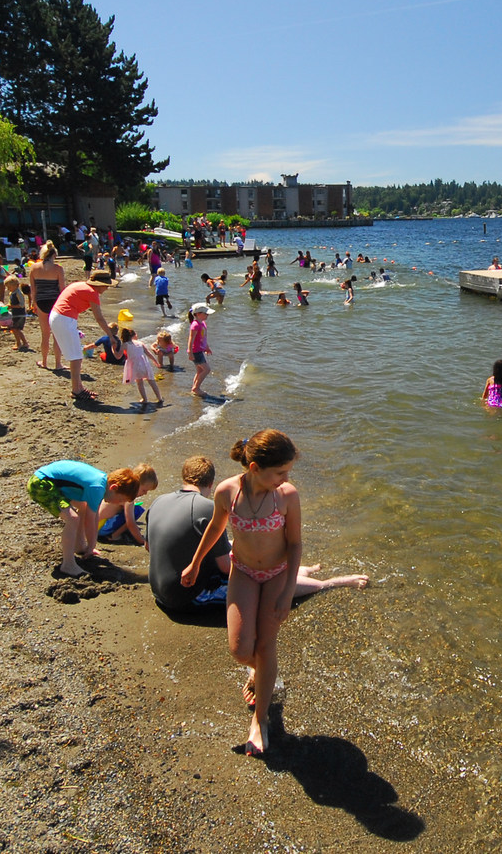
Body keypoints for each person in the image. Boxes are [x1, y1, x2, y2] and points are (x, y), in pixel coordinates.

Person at [178, 432, 307, 756]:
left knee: (265, 645)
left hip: (277, 575)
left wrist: (288, 590)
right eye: (280, 472)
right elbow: (216, 529)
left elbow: (294, 544)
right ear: (254, 467)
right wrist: (195, 563)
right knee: (239, 650)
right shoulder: (227, 492)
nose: (286, 478)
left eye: (288, 471)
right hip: (244, 572)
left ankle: (260, 720)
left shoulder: (287, 496)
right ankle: (260, 671)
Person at [27, 460, 145, 577]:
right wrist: (92, 545)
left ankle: (80, 546)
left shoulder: (102, 483)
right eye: (120, 500)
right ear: (113, 487)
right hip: (41, 484)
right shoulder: (97, 487)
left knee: (83, 507)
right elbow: (90, 522)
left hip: (53, 483)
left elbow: (95, 516)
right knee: (73, 518)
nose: (119, 503)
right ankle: (68, 564)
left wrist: (89, 547)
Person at [51, 270, 117, 401]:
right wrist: (111, 336)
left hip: (57, 316)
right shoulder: (92, 293)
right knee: (76, 357)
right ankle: (77, 390)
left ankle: (79, 387)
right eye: (106, 286)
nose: (107, 289)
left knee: (76, 356)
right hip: (64, 319)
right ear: (99, 284)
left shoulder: (79, 285)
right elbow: (99, 318)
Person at [97, 463, 159, 545]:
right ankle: (115, 536)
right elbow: (130, 522)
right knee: (136, 511)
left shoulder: (120, 490)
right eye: (144, 490)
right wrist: (142, 541)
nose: (145, 493)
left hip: (96, 523)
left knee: (134, 508)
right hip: (101, 528)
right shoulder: (128, 496)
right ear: (137, 484)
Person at [29, 242, 66, 369]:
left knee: (45, 334)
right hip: (55, 303)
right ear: (54, 254)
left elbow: (33, 290)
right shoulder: (58, 269)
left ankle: (44, 362)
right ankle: (58, 363)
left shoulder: (33, 268)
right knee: (57, 335)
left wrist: (33, 304)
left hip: (40, 302)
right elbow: (62, 290)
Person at [122, 323, 164, 406]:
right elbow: (148, 353)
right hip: (144, 364)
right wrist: (155, 361)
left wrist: (114, 349)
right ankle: (159, 398)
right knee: (151, 381)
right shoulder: (140, 343)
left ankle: (145, 399)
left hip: (135, 365)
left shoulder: (125, 344)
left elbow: (118, 355)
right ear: (134, 336)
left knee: (139, 382)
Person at [187, 303, 213, 396]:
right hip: (195, 351)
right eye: (205, 313)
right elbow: (191, 339)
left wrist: (207, 347)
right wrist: (190, 352)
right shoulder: (195, 325)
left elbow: (203, 337)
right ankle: (196, 388)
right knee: (206, 369)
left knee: (199, 371)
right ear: (198, 314)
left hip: (200, 350)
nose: (207, 315)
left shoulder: (202, 323)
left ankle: (195, 387)